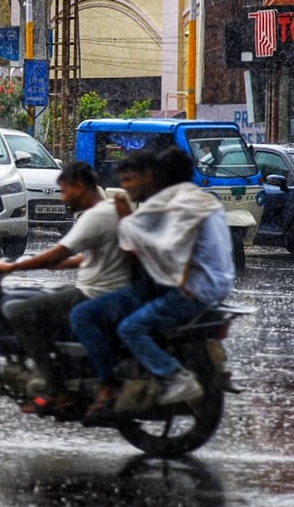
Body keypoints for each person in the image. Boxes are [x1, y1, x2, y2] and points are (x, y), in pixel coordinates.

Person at [69, 146, 235, 423]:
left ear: (157, 176)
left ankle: (157, 378)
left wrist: (124, 217)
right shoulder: (205, 199)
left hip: (192, 291)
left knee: (120, 325)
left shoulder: (174, 202)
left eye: (132, 179)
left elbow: (152, 243)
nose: (127, 186)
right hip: (219, 286)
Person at [0, 162, 131, 415]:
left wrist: (10, 268)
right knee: (47, 299)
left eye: (65, 191)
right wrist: (66, 264)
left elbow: (57, 253)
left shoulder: (95, 216)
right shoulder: (109, 209)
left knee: (19, 311)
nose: (63, 198)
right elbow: (97, 255)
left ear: (80, 187)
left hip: (95, 293)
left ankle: (54, 388)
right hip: (108, 290)